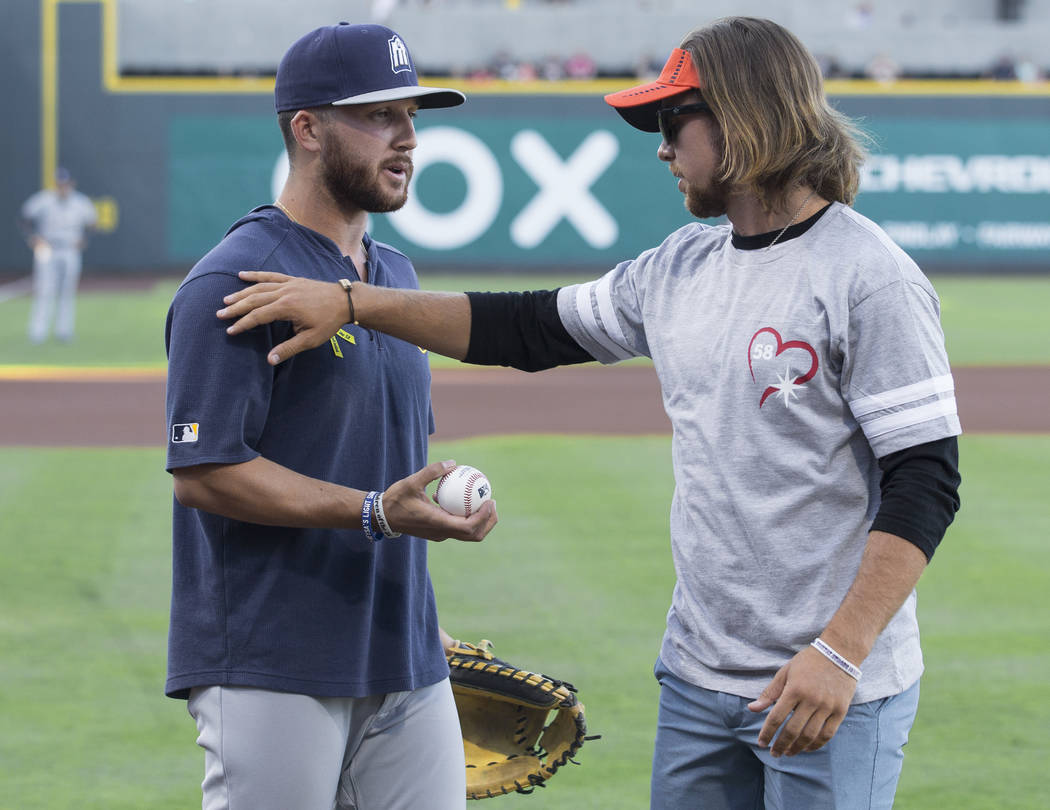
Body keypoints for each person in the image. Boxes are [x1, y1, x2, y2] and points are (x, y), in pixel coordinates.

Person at [216, 17, 962, 809]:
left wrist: (840, 656)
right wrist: (353, 301)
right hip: (699, 682)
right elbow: (527, 327)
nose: (662, 147)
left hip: (825, 688)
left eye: (675, 123)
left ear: (746, 118)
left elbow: (925, 481)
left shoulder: (868, 275)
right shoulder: (681, 265)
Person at [164, 22, 497, 810]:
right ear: (307, 129)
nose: (409, 137)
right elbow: (206, 473)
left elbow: (387, 461)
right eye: (380, 115)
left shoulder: (395, 278)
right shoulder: (235, 280)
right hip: (272, 658)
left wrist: (421, 614)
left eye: (412, 116)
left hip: (402, 653)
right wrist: (377, 513)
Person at [19, 167, 97, 343]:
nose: (62, 186)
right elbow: (24, 218)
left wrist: (85, 239)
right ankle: (38, 332)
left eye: (65, 183)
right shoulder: (44, 199)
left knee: (67, 291)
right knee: (45, 290)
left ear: (71, 183)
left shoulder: (80, 202)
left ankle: (64, 331)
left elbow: (92, 223)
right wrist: (32, 238)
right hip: (48, 248)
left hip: (70, 248)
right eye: (59, 183)